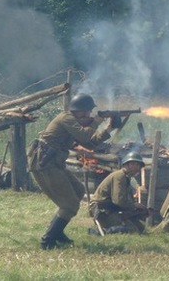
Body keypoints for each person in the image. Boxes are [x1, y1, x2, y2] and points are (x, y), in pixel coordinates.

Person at [28, 93, 121, 249]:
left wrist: (109, 127)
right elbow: (85, 136)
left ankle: (57, 232)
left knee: (78, 190)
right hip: (45, 164)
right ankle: (47, 240)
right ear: (79, 110)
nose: (88, 115)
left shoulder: (75, 122)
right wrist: (98, 120)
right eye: (86, 112)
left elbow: (90, 144)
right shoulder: (66, 118)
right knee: (69, 205)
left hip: (55, 163)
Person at [89, 151, 149, 235]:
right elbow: (118, 200)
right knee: (132, 230)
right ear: (126, 165)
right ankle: (99, 232)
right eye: (134, 164)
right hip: (102, 209)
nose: (137, 167)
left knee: (140, 228)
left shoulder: (126, 178)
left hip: (110, 208)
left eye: (138, 165)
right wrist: (134, 206)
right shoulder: (119, 176)